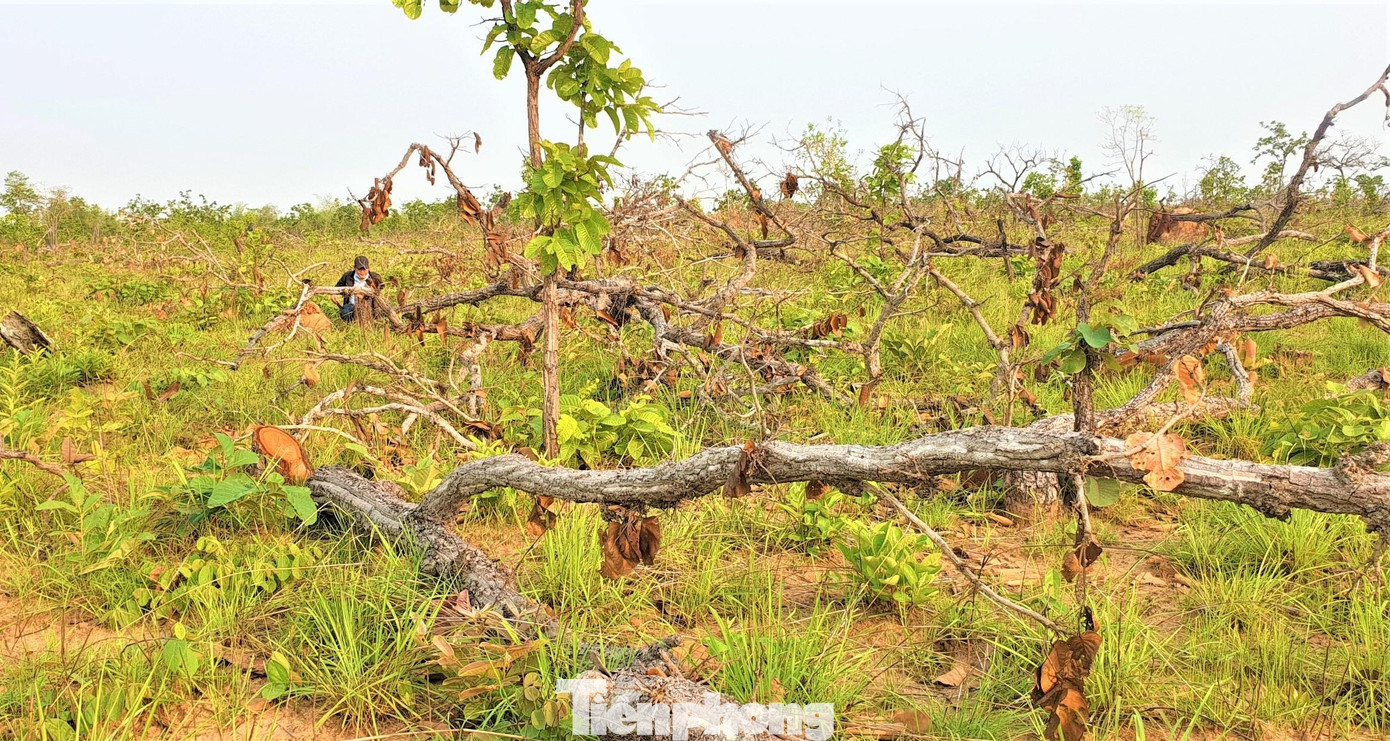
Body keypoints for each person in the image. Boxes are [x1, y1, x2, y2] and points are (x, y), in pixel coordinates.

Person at [334, 255, 384, 323]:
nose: (362, 272)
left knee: (379, 315)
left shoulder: (375, 277)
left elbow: (381, 286)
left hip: (370, 305)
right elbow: (338, 286)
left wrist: (372, 288)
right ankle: (353, 321)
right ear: (355, 268)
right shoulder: (347, 276)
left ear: (368, 269)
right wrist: (333, 294)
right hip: (352, 305)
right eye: (360, 270)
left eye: (364, 269)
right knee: (345, 313)